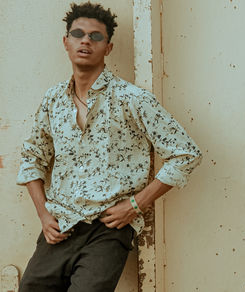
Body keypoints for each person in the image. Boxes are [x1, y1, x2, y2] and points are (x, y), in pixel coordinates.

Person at [16, 2, 202, 291]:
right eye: (78, 34)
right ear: (66, 42)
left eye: (96, 36)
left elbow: (186, 153)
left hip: (108, 228)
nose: (86, 40)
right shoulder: (53, 100)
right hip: (60, 225)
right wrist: (43, 214)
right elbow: (32, 157)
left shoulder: (132, 98)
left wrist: (136, 204)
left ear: (109, 47)